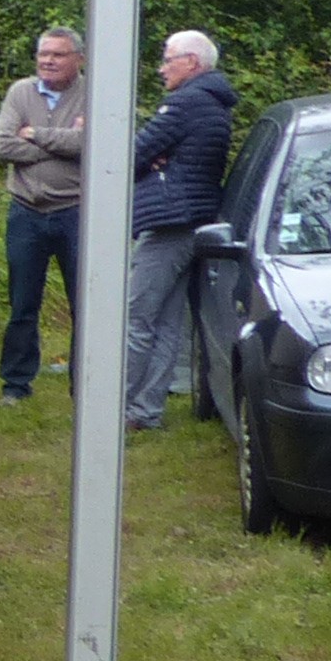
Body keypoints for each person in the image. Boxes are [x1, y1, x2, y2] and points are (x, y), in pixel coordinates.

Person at [124, 27, 240, 430]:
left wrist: (152, 161)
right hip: (195, 219)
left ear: (191, 62)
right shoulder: (214, 102)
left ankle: (113, 407)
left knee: (136, 318)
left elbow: (130, 155)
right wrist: (157, 159)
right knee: (167, 322)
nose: (162, 69)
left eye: (168, 60)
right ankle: (145, 411)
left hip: (170, 222)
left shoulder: (186, 102)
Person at [0, 25, 89, 401]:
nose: (48, 61)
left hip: (76, 212)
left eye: (57, 54)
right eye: (43, 54)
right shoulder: (21, 92)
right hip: (26, 212)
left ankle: (84, 384)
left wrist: (35, 134)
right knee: (22, 303)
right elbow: (2, 146)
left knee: (84, 303)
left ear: (79, 59)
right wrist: (64, 142)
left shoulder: (92, 94)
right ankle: (15, 385)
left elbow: (92, 143)